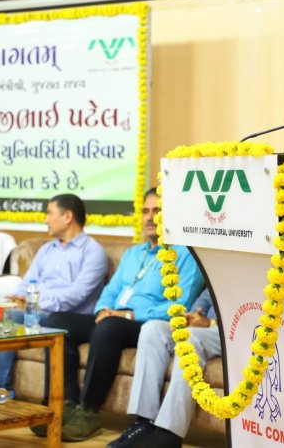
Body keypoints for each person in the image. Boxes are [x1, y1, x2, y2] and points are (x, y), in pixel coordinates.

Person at [42, 188, 205, 442]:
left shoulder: (186, 255)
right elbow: (111, 291)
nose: (150, 218)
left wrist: (127, 314)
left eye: (158, 211)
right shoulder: (133, 254)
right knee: (56, 324)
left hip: (148, 324)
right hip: (114, 317)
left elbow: (179, 305)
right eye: (146, 212)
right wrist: (102, 310)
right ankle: (65, 405)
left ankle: (89, 412)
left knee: (109, 328)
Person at [0, 193, 108, 392]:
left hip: (68, 318)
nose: (45, 220)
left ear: (67, 216)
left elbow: (75, 296)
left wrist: (33, 303)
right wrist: (19, 298)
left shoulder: (93, 252)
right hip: (36, 310)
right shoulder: (46, 250)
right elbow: (27, 282)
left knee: (9, 316)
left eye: (49, 213)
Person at [109, 288, 220, 448]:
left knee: (189, 338)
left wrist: (211, 322)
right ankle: (144, 423)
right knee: (152, 329)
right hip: (204, 326)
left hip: (234, 331)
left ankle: (170, 434)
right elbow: (205, 297)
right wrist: (192, 316)